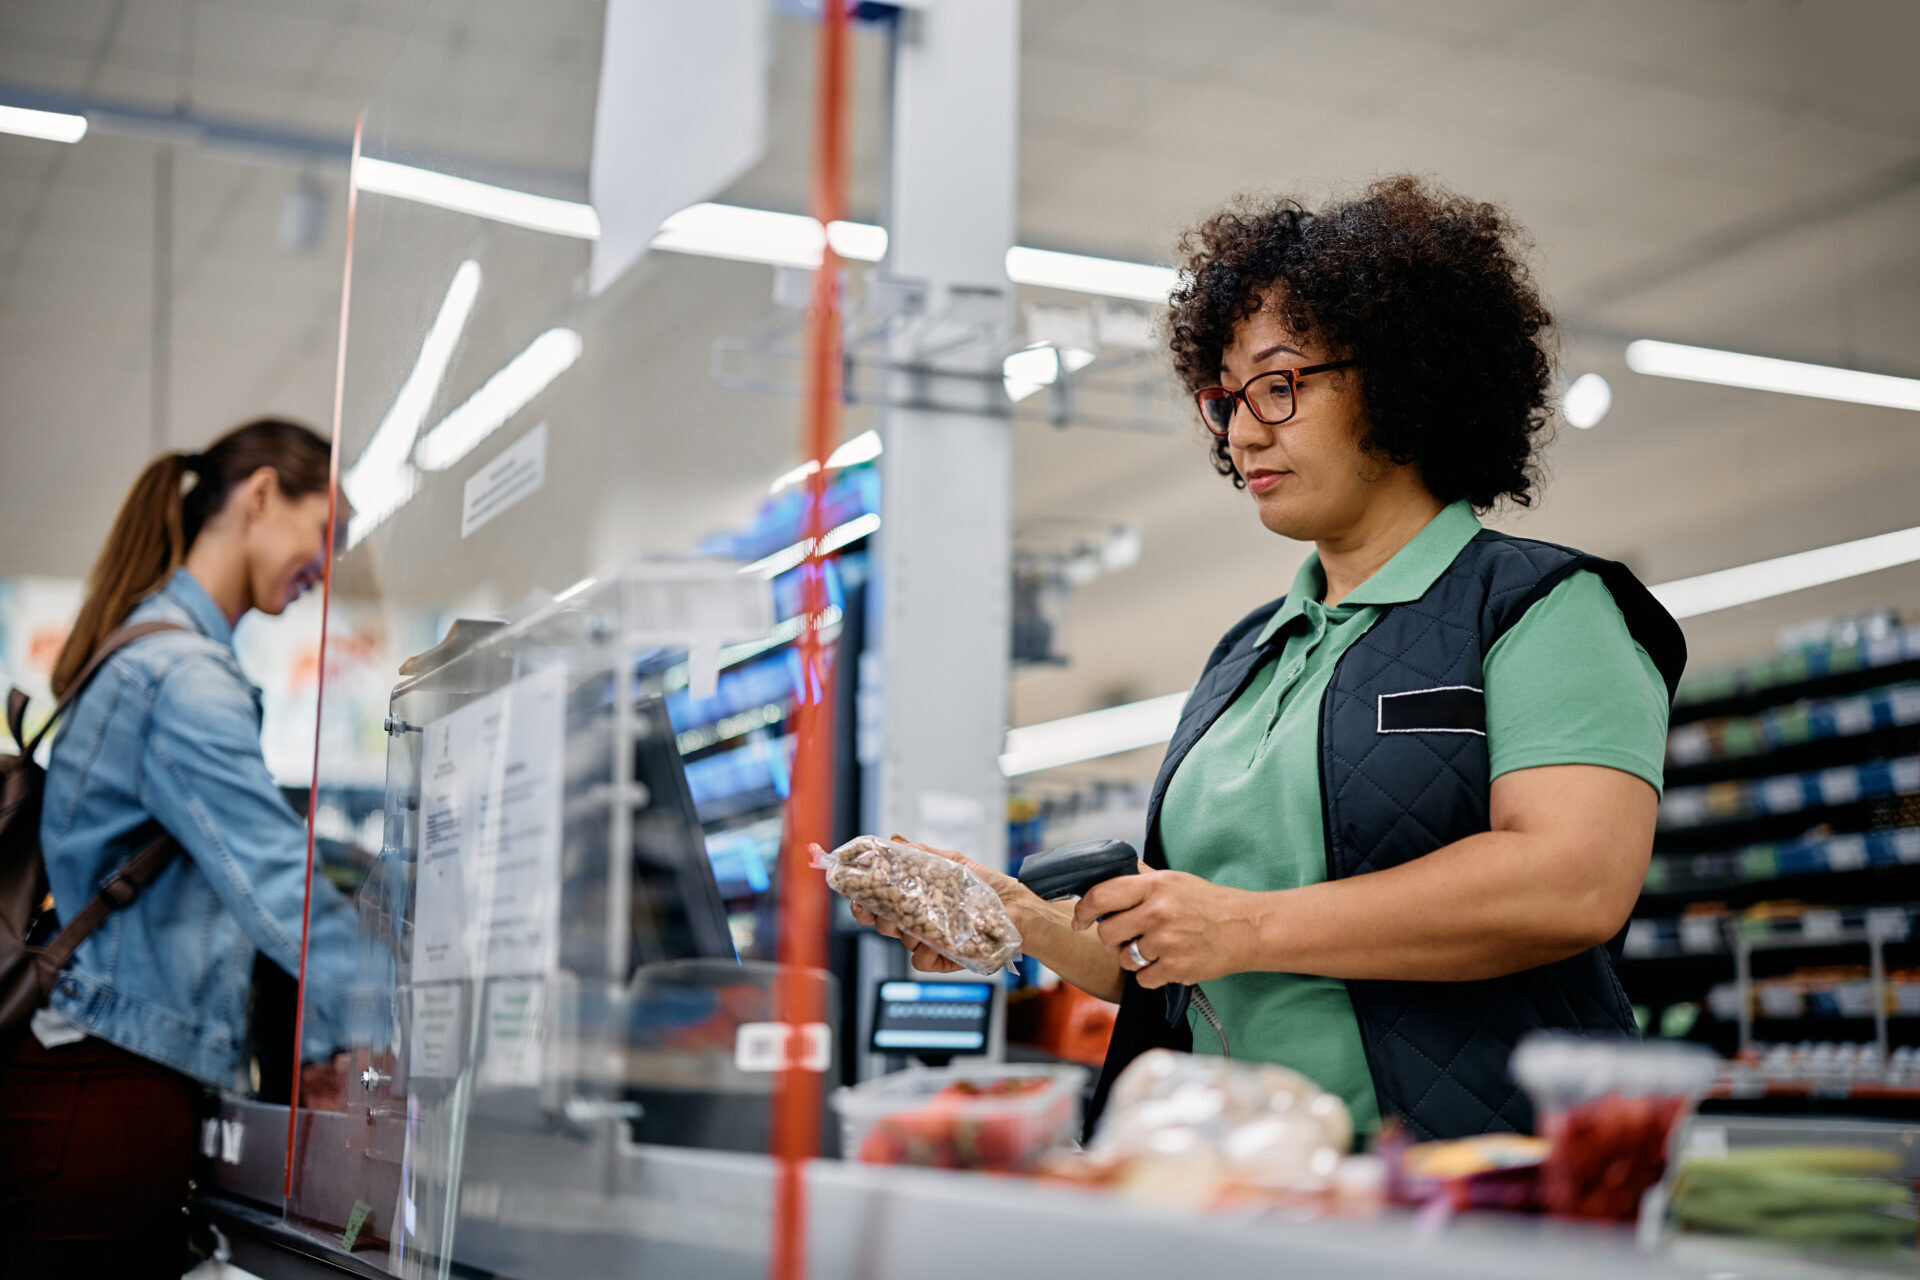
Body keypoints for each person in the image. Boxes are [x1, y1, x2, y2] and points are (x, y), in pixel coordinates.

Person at [852, 177, 1685, 1143]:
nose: (1245, 430)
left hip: (1456, 1182)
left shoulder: (1542, 607)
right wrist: (1016, 921)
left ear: (1406, 377)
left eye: (1281, 384)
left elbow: (1571, 881)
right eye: (1227, 398)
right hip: (1234, 1174)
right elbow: (1178, 960)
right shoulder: (1247, 655)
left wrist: (1248, 925)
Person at [0, 419, 364, 1275]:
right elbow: (276, 879)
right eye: (327, 535)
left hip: (79, 1080)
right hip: (97, 1091)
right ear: (263, 494)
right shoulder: (182, 675)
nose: (328, 568)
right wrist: (405, 1017)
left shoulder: (150, 649)